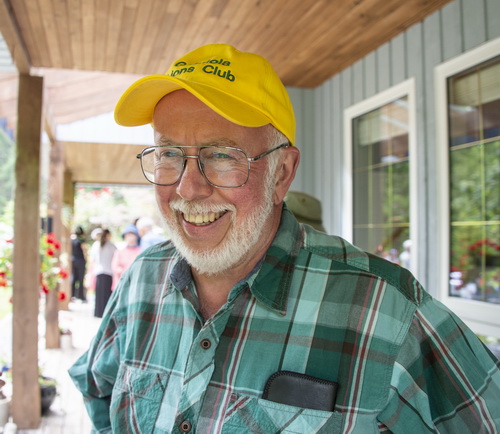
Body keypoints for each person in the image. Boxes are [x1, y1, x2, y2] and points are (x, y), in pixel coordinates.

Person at [69, 44, 500, 433]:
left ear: (282, 173)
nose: (187, 188)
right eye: (169, 154)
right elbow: (99, 391)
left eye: (221, 155)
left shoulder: (384, 309)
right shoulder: (142, 278)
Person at [88, 228, 116, 318]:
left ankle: (98, 312)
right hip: (108, 272)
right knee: (107, 294)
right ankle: (106, 312)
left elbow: (92, 259)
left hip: (99, 271)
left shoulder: (96, 245)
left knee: (99, 294)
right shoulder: (111, 246)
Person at [111, 223, 141, 288]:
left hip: (137, 284)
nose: (130, 237)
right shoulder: (119, 252)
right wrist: (124, 272)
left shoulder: (141, 251)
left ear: (136, 236)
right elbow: (114, 267)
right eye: (128, 235)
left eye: (132, 235)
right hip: (123, 284)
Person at [70, 226, 87, 301]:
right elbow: (84, 250)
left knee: (74, 278)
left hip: (73, 260)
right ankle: (80, 296)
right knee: (80, 279)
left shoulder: (72, 240)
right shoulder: (81, 240)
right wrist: (86, 259)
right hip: (80, 261)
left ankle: (73, 294)